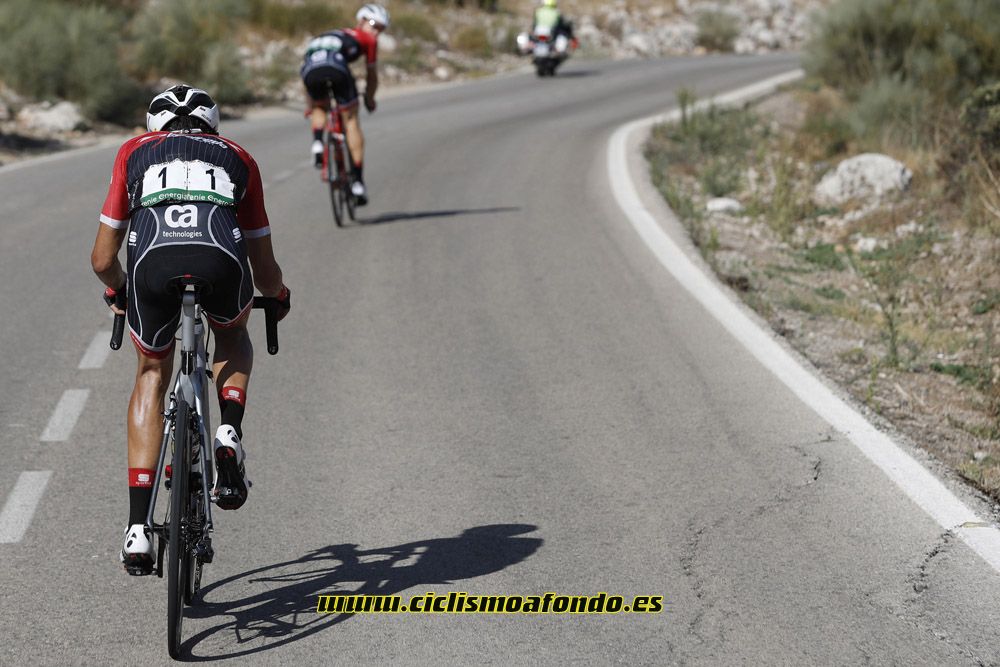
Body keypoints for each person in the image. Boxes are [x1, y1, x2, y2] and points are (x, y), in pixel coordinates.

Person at [90, 84, 291, 576]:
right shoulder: (238, 156)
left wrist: (118, 289)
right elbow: (263, 263)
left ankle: (138, 528)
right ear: (213, 126)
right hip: (220, 260)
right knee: (232, 336)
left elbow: (101, 259)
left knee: (151, 372)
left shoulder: (133, 152)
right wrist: (278, 296)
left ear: (154, 125)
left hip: (153, 264)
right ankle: (228, 428)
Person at [300, 3, 389, 206]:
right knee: (351, 121)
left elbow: (303, 76)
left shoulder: (326, 36)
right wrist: (369, 98)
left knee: (319, 107)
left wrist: (310, 106)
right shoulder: (367, 40)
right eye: (375, 25)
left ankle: (317, 144)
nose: (377, 32)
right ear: (361, 21)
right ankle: (357, 181)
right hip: (337, 67)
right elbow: (372, 75)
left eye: (381, 29)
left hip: (310, 69)